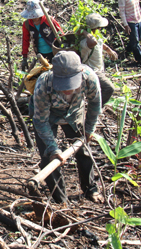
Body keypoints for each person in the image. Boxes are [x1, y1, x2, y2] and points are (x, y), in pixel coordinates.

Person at [31, 51, 103, 203]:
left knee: (83, 150)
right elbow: (41, 121)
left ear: (81, 71)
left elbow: (95, 104)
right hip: (47, 116)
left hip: (73, 113)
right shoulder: (43, 85)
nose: (67, 89)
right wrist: (53, 147)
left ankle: (91, 188)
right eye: (63, 84)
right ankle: (61, 200)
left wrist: (89, 128)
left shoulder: (89, 77)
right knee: (49, 157)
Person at [80, 13, 118, 107]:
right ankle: (94, 107)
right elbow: (94, 42)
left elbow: (100, 43)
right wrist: (84, 32)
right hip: (93, 72)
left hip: (99, 69)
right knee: (109, 88)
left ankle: (95, 105)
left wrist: (110, 51)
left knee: (98, 91)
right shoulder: (86, 42)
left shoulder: (96, 37)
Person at [21, 0, 63, 70]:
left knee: (59, 69)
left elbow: (60, 33)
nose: (34, 18)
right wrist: (24, 57)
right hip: (42, 54)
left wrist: (63, 45)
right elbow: (25, 40)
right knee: (48, 71)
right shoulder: (27, 24)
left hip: (54, 50)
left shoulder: (49, 20)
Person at [118, 0, 141, 64]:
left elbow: (137, 6)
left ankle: (127, 50)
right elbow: (122, 12)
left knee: (137, 38)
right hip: (130, 22)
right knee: (135, 41)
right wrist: (126, 25)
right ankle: (140, 59)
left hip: (138, 19)